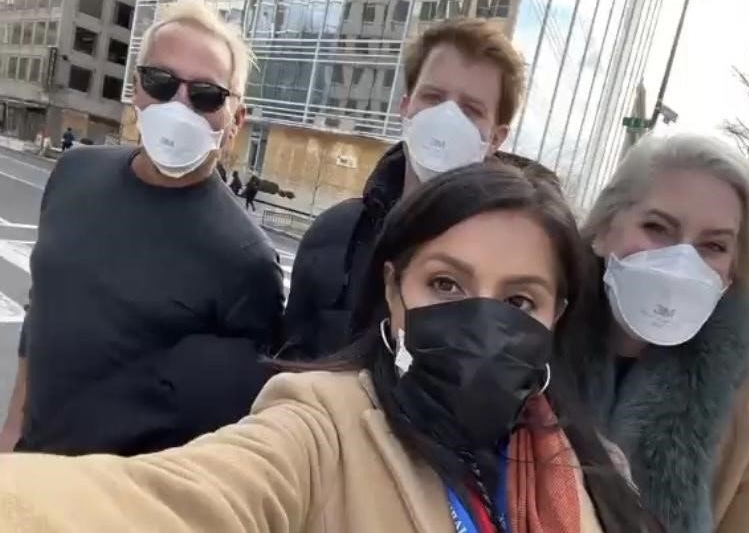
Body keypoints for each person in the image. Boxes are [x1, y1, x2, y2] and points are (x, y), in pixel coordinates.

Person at [0, 163, 659, 533]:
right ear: (394, 292)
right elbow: (174, 502)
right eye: (446, 283)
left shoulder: (595, 468)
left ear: (556, 316)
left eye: (518, 301)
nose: (480, 321)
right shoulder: (322, 428)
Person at [0, 0, 284, 456]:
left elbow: (234, 428)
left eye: (206, 94)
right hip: (26, 470)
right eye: (161, 82)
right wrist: (12, 427)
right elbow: (43, 307)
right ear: (136, 89)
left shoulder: (247, 261)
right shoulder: (73, 172)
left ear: (236, 120)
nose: (180, 105)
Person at [563, 133, 749, 533]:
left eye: (713, 246)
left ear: (733, 270)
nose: (679, 261)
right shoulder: (532, 335)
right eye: (657, 227)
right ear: (604, 229)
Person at [284, 17, 532, 360]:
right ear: (406, 107)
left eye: (471, 110)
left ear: (496, 138)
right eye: (433, 97)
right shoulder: (335, 234)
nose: (447, 117)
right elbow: (288, 360)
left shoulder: (511, 272)